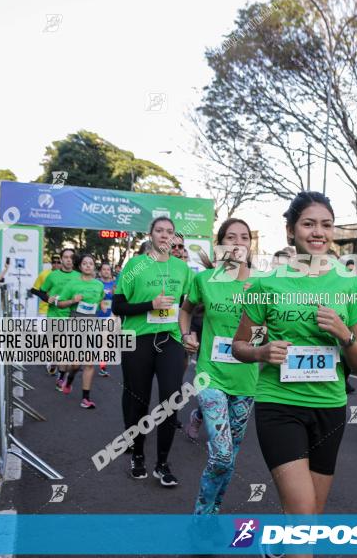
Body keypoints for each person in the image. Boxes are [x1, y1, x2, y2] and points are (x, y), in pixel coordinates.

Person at [232, 192, 357, 558]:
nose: (318, 232)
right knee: (301, 518)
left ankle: (275, 552)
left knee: (311, 516)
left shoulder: (350, 285)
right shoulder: (268, 283)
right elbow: (240, 346)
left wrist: (345, 335)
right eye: (309, 224)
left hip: (328, 408)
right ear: (291, 230)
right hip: (279, 405)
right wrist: (261, 353)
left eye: (326, 225)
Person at [179, 218, 258, 515]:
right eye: (230, 237)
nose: (238, 243)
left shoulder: (262, 283)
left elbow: (270, 326)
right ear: (221, 244)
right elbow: (185, 310)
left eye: (244, 237)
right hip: (211, 375)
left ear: (250, 244)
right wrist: (186, 335)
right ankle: (201, 514)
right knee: (222, 454)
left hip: (246, 378)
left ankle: (213, 511)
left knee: (231, 455)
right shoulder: (205, 280)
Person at [112, 217, 193, 486]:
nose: (165, 236)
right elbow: (118, 307)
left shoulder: (182, 268)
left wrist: (187, 332)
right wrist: (151, 304)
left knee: (172, 398)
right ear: (150, 234)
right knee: (139, 400)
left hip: (169, 339)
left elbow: (186, 306)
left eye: (170, 232)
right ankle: (137, 455)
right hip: (138, 339)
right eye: (159, 231)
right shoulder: (135, 265)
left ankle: (162, 463)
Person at [54, 254, 105, 408]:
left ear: (93, 266)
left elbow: (100, 298)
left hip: (92, 326)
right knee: (75, 365)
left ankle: (85, 398)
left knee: (89, 364)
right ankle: (69, 379)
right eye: (85, 263)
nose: (88, 266)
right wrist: (72, 301)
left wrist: (101, 305)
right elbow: (60, 304)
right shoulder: (72, 284)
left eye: (91, 263)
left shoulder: (99, 285)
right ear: (80, 266)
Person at [30, 248, 80, 389]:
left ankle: (61, 375)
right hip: (54, 315)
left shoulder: (78, 276)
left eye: (71, 257)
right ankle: (54, 362)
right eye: (65, 257)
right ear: (62, 259)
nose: (68, 260)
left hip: (71, 316)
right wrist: (47, 298)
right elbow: (40, 291)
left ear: (74, 260)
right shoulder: (52, 276)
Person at [31, 254, 61, 375]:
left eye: (58, 262)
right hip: (44, 311)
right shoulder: (44, 275)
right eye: (54, 261)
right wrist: (46, 297)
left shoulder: (68, 277)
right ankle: (50, 363)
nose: (56, 264)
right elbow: (34, 289)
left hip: (60, 312)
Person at [95, 262, 117, 377]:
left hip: (111, 317)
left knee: (105, 342)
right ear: (100, 271)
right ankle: (102, 365)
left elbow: (118, 299)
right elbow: (94, 297)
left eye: (108, 269)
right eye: (104, 269)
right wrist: (100, 302)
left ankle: (102, 365)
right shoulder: (97, 283)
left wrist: (115, 292)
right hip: (98, 316)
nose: (106, 271)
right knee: (102, 342)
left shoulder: (114, 284)